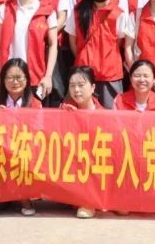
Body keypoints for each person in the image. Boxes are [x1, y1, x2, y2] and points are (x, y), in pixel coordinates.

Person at [65, 0, 133, 108]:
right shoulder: (78, 11)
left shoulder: (118, 13)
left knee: (111, 115)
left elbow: (119, 42)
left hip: (110, 74)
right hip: (83, 74)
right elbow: (72, 41)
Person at [0, 0, 58, 100]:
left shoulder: (46, 10)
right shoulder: (4, 9)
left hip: (36, 76)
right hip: (10, 78)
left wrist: (48, 76)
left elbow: (53, 45)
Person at [0, 57, 40, 216]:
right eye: (10, 77)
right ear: (3, 80)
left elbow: (38, 132)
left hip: (25, 150)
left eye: (19, 77)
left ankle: (25, 197)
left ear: (27, 79)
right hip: (1, 150)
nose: (15, 82)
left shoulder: (35, 104)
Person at [61, 66, 100, 219]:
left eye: (81, 85)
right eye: (72, 86)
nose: (76, 90)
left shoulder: (104, 115)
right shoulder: (64, 110)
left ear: (93, 88)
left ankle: (89, 201)